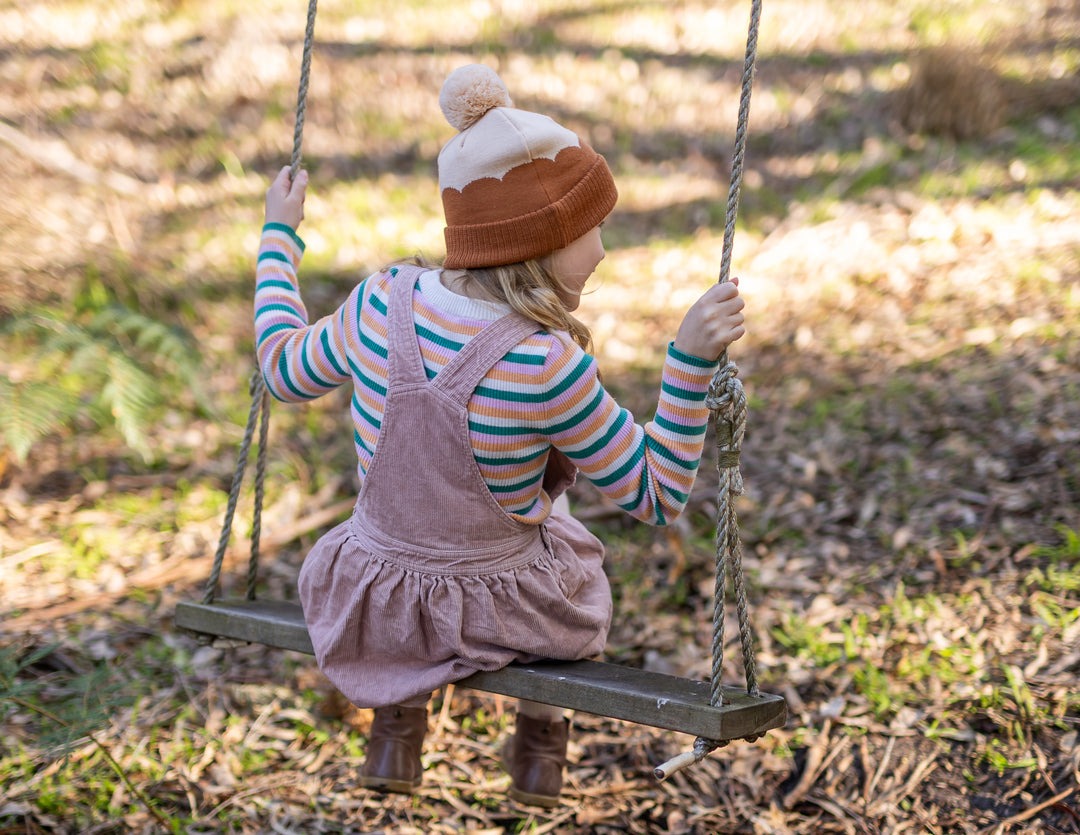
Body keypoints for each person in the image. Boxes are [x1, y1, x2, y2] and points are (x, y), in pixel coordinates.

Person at [254, 64, 745, 808]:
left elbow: (280, 367)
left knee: (423, 531)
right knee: (568, 539)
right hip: (504, 609)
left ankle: (396, 727)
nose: (603, 251)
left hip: (376, 596)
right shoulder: (548, 366)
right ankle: (540, 749)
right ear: (540, 242)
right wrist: (688, 364)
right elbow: (656, 491)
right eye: (591, 229)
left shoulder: (378, 303)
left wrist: (279, 237)